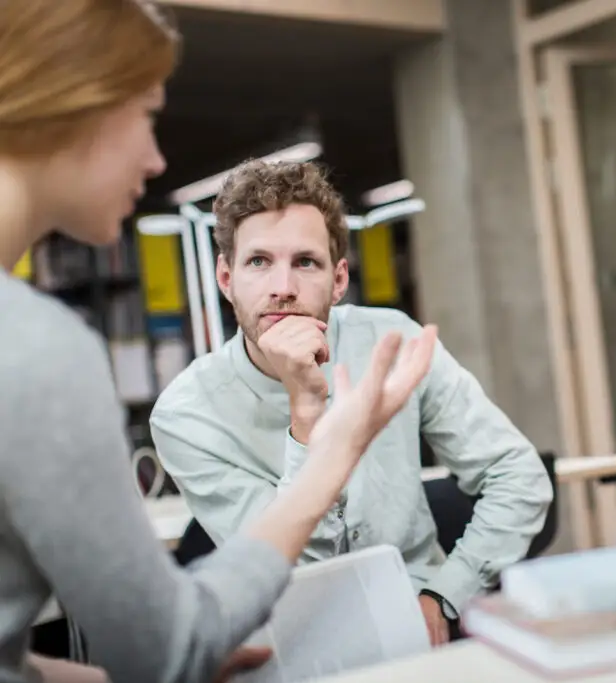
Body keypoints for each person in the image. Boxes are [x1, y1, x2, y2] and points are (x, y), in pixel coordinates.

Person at [0, 2, 436, 682]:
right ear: (74, 104)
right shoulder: (37, 350)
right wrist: (335, 448)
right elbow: (168, 646)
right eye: (146, 115)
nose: (155, 158)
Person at [149, 159, 553, 646]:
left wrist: (447, 594)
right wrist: (305, 415)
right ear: (225, 277)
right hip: (300, 644)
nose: (283, 288)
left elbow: (520, 477)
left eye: (306, 262)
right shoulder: (186, 415)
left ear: (338, 280)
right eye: (259, 262)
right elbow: (293, 573)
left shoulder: (392, 340)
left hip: (424, 627)